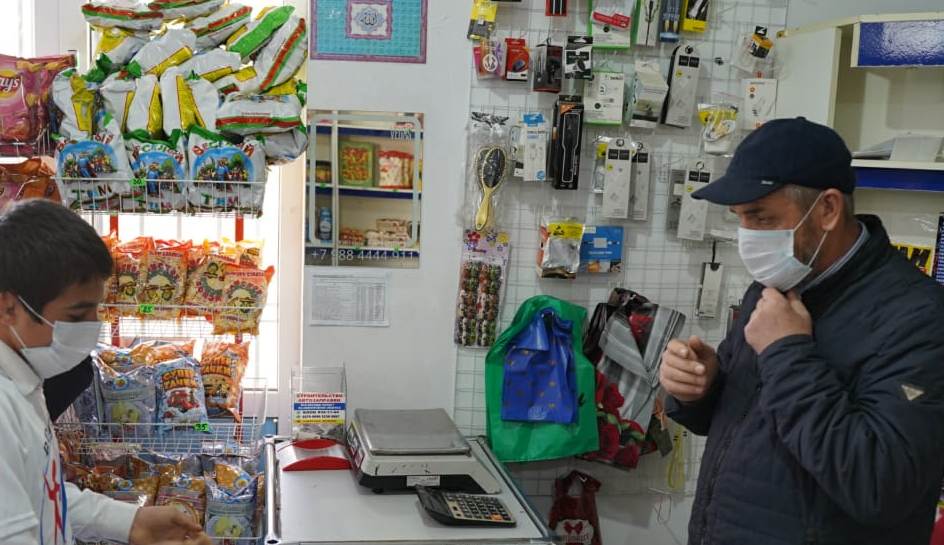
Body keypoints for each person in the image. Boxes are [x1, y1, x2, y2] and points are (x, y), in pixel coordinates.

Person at [660, 118, 944, 545]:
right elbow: (746, 420)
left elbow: (880, 486)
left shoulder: (919, 316)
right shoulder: (777, 284)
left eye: (761, 217)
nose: (747, 237)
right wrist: (701, 387)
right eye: (739, 218)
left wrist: (787, 351)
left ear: (828, 209)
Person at [0, 199, 211, 545]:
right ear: (9, 307)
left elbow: (42, 494)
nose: (92, 328)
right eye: (76, 316)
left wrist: (132, 522)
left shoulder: (24, 381)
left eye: (96, 310)